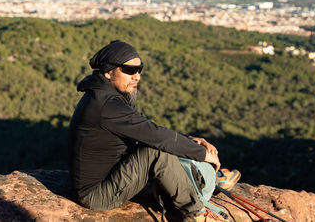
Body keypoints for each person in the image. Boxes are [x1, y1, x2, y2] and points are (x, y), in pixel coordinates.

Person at [68, 40, 240, 222]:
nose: (137, 76)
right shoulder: (106, 105)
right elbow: (156, 137)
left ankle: (203, 179)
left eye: (139, 70)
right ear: (109, 72)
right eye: (129, 70)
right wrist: (201, 154)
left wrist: (191, 141)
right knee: (156, 151)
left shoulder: (104, 95)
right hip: (97, 194)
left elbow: (146, 130)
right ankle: (196, 212)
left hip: (113, 174)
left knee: (156, 145)